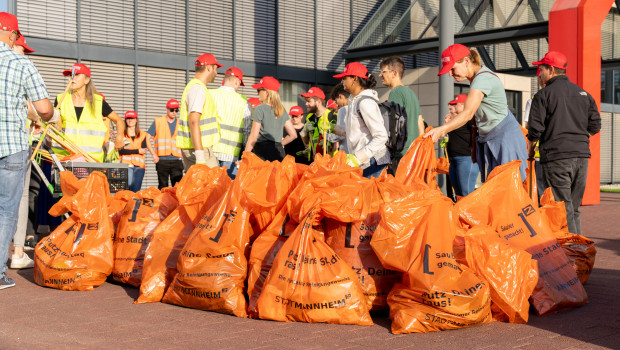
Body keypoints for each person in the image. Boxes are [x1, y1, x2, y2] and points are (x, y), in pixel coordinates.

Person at [0, 12, 54, 289]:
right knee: (6, 210)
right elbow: (44, 109)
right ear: (12, 35)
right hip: (10, 146)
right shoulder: (21, 63)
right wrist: (48, 115)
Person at [425, 44, 528, 182]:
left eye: (452, 68)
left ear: (466, 62)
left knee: (510, 191)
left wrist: (441, 130)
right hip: (495, 138)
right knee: (499, 191)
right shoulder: (477, 79)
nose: (450, 74)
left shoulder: (482, 79)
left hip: (505, 139)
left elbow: (468, 113)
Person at [528, 51, 601, 235]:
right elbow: (596, 124)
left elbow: (535, 130)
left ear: (551, 70)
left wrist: (530, 149)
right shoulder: (583, 94)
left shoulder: (543, 95)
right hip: (581, 158)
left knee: (562, 208)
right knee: (573, 208)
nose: (539, 74)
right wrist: (576, 138)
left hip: (557, 157)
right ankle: (579, 253)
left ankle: (571, 256)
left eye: (541, 69)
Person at [52, 62, 125, 162]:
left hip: (91, 160)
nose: (72, 78)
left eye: (76, 75)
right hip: (67, 158)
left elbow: (119, 120)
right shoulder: (61, 99)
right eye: (70, 75)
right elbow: (57, 127)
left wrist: (119, 138)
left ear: (86, 80)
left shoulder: (98, 101)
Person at [10, 34, 40, 269]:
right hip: (15, 145)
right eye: (23, 49)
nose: (25, 55)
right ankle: (18, 252)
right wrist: (39, 117)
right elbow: (32, 106)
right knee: (18, 198)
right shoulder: (17, 67)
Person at [333, 62, 390, 178]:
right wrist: (335, 130)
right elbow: (357, 131)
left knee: (370, 196)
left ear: (354, 78)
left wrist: (358, 157)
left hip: (373, 162)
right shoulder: (354, 101)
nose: (341, 81)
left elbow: (381, 136)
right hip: (364, 161)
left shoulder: (365, 102)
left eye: (344, 78)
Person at [177, 53, 222, 171]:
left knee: (200, 187)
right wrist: (200, 155)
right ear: (209, 68)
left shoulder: (197, 87)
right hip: (199, 149)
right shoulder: (198, 89)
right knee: (212, 186)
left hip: (196, 148)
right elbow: (193, 121)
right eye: (215, 69)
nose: (216, 73)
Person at [210, 67, 252, 179]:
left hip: (209, 152)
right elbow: (247, 131)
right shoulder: (243, 102)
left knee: (209, 190)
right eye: (239, 84)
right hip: (231, 155)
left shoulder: (210, 95)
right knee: (227, 191)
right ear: (236, 82)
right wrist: (245, 152)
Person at [379, 56, 424, 156]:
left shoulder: (396, 92)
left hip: (401, 151)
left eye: (383, 72)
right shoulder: (411, 93)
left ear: (394, 73)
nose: (380, 75)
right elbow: (420, 123)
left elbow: (393, 125)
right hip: (414, 150)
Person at [244, 76, 297, 161]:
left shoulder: (259, 109)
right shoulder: (282, 110)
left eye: (259, 90)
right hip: (279, 152)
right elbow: (293, 135)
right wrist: (279, 144)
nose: (258, 93)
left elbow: (253, 136)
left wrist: (245, 156)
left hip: (262, 153)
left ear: (267, 92)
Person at [444, 94, 478, 197]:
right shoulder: (457, 119)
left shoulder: (470, 118)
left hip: (466, 158)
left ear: (464, 105)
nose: (454, 107)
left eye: (456, 105)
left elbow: (476, 134)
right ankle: (460, 213)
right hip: (454, 159)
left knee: (466, 193)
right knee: (458, 194)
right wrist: (447, 125)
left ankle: (471, 213)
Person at [146, 99, 184, 189]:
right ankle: (163, 203)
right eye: (172, 110)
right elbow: (147, 138)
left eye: (176, 110)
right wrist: (153, 155)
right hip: (162, 160)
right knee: (163, 187)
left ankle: (176, 203)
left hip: (177, 160)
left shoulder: (181, 123)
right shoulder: (158, 121)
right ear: (166, 109)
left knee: (178, 188)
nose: (174, 112)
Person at [523, 68, 547, 199]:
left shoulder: (533, 100)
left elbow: (529, 125)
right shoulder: (533, 100)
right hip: (548, 152)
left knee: (542, 186)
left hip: (541, 151)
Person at [300, 87, 337, 161]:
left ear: (318, 102)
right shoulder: (309, 117)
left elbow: (337, 141)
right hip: (313, 160)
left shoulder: (332, 116)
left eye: (309, 101)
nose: (306, 104)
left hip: (329, 162)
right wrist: (307, 146)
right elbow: (303, 134)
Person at [119, 111, 147, 192]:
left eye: (132, 118)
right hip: (126, 165)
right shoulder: (122, 134)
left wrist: (129, 151)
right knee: (127, 188)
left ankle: (134, 204)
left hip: (139, 167)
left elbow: (144, 150)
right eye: (128, 118)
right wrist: (137, 150)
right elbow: (121, 151)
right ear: (125, 120)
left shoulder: (143, 134)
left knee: (136, 190)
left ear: (136, 120)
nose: (130, 120)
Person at [328, 82, 349, 153]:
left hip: (347, 152)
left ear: (341, 96)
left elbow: (340, 135)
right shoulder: (356, 107)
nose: (337, 105)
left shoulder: (343, 110)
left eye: (336, 101)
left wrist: (326, 135)